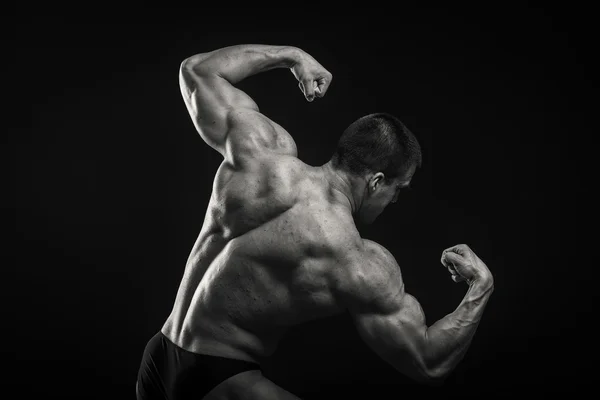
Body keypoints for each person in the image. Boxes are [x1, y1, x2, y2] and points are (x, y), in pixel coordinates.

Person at [136, 44, 495, 400]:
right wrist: (481, 286)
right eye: (398, 189)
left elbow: (198, 71)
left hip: (159, 355)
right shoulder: (355, 259)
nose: (395, 200)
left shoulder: (260, 153)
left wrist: (292, 56)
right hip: (219, 380)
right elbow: (429, 363)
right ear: (376, 181)